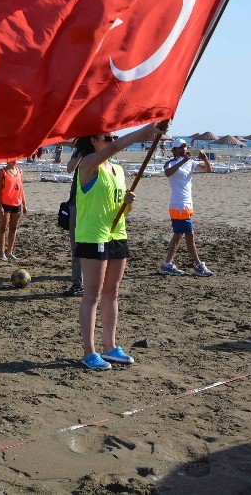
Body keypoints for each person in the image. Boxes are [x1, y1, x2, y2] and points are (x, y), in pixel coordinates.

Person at [75, 121, 166, 370]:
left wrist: (128, 203)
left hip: (117, 233)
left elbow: (122, 212)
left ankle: (110, 347)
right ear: (93, 140)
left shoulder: (117, 170)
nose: (111, 140)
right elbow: (116, 147)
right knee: (92, 294)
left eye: (113, 136)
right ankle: (89, 351)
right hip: (94, 235)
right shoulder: (88, 165)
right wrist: (147, 130)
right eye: (107, 137)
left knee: (112, 293)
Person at [161, 138, 215, 277]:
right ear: (174, 150)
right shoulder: (171, 163)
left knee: (178, 235)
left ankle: (167, 264)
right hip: (178, 205)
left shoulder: (190, 163)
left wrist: (205, 158)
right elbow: (167, 173)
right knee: (189, 235)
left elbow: (208, 170)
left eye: (185, 146)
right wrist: (184, 160)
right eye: (181, 147)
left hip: (187, 204)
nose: (184, 148)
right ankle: (197, 264)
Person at [64, 142, 85, 297]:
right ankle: (78, 282)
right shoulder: (80, 153)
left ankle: (86, 281)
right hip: (76, 204)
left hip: (91, 206)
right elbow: (70, 168)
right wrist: (80, 151)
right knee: (76, 247)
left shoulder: (101, 155)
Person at [0, 161, 28, 261]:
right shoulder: (2, 172)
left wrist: (24, 204)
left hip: (17, 204)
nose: (15, 160)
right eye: (13, 158)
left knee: (13, 228)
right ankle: (2, 253)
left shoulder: (19, 171)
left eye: (16, 158)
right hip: (5, 204)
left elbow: (21, 188)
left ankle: (9, 252)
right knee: (3, 228)